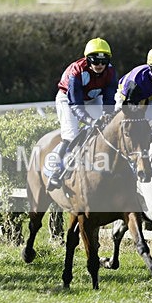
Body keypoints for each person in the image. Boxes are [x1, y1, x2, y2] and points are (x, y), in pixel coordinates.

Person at [47, 37, 117, 189]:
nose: (99, 65)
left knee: (105, 130)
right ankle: (56, 170)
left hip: (93, 98)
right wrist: (91, 121)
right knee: (71, 134)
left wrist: (107, 115)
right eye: (95, 61)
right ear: (87, 59)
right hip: (68, 99)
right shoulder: (77, 71)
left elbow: (109, 100)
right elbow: (76, 105)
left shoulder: (111, 72)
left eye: (103, 61)